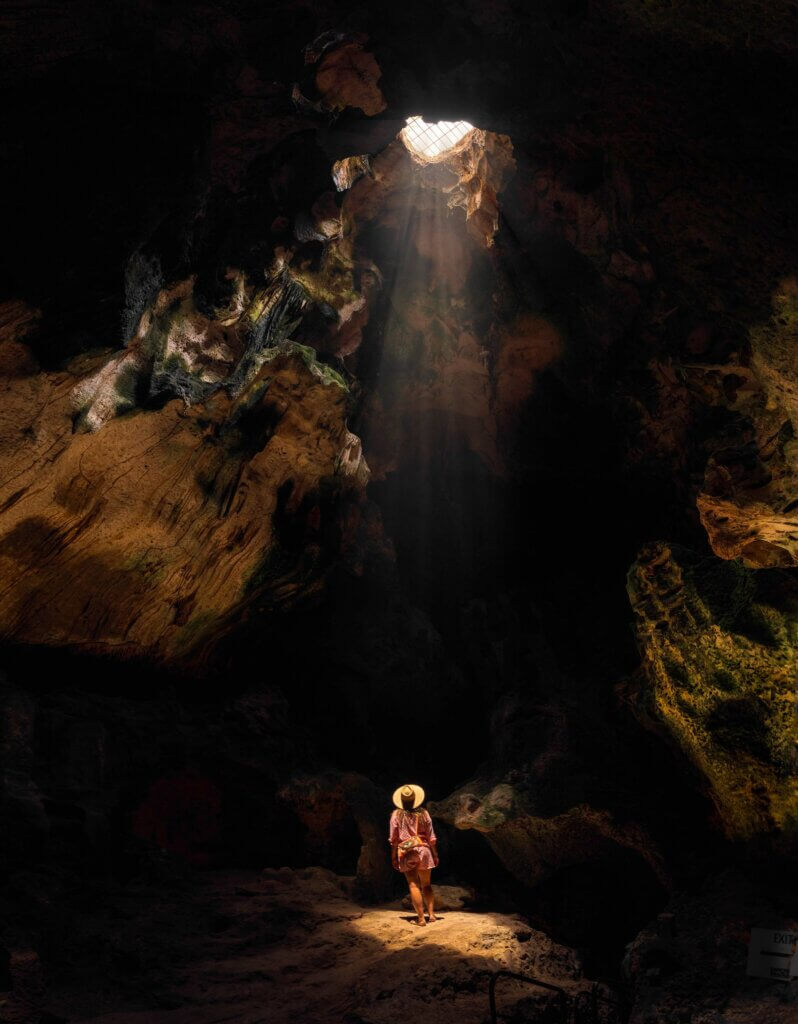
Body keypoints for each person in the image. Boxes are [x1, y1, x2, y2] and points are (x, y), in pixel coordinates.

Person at [389, 783, 439, 926]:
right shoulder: (424, 813)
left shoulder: (396, 815)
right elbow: (431, 837)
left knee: (413, 885)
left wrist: (393, 856)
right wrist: (435, 854)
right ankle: (432, 915)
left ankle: (421, 919)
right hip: (424, 850)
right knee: (427, 885)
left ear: (401, 800)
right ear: (415, 799)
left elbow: (394, 840)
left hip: (407, 853)